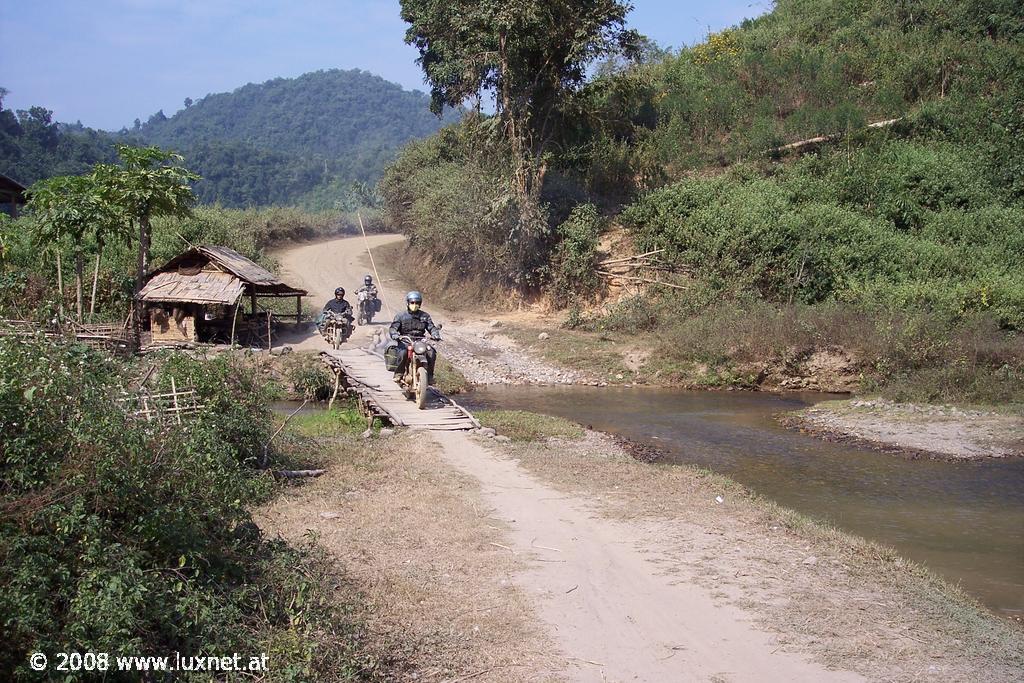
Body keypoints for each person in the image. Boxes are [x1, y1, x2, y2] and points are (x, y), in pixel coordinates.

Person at [388, 290, 441, 381]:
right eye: (412, 302)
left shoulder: (425, 316)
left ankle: (430, 376)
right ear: (408, 303)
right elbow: (393, 328)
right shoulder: (400, 316)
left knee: (431, 352)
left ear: (420, 304)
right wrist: (395, 334)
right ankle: (399, 373)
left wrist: (435, 334)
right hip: (405, 340)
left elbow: (431, 327)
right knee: (403, 353)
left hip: (420, 341)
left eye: (417, 303)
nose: (414, 304)